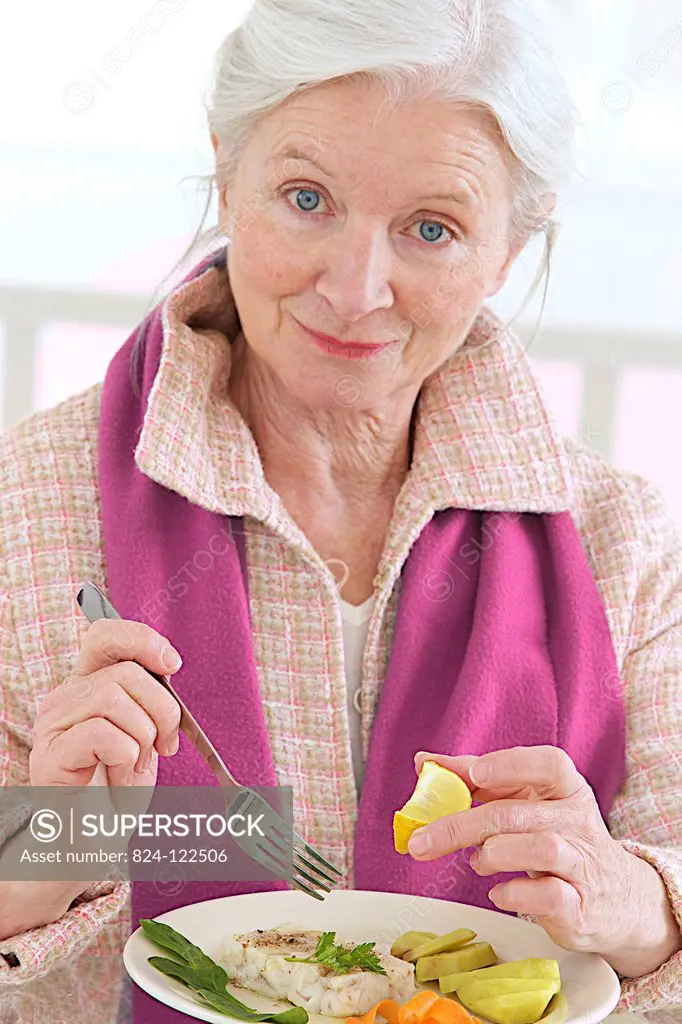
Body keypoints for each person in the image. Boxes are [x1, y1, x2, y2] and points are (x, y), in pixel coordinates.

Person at [1, 1, 681, 1021]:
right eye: (306, 197)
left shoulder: (619, 536)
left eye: (432, 228)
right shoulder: (27, 500)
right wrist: (52, 848)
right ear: (227, 170)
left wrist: (634, 899)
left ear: (508, 248)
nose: (356, 288)